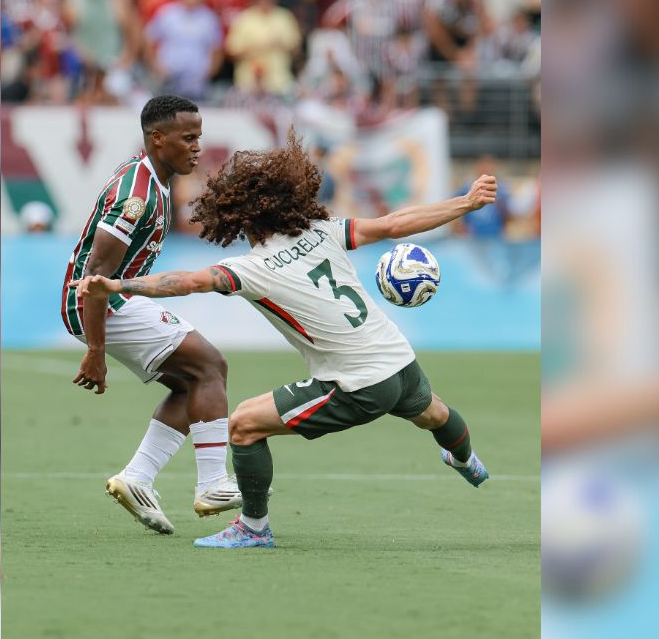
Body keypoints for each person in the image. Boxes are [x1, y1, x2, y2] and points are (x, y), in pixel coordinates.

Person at [72, 131, 498, 548]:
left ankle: (253, 528)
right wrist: (466, 202)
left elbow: (186, 281)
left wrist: (119, 285)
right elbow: (392, 224)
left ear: (236, 214)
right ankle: (467, 461)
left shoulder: (253, 267)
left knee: (243, 425)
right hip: (399, 361)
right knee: (436, 414)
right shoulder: (322, 230)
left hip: (358, 384)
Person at [61, 95, 241, 535]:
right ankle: (214, 482)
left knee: (191, 383)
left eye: (199, 137)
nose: (197, 147)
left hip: (112, 300)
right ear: (158, 139)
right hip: (98, 302)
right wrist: (95, 349)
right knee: (210, 365)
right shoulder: (136, 196)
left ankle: (138, 478)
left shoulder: (156, 182)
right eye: (188, 138)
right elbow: (97, 274)